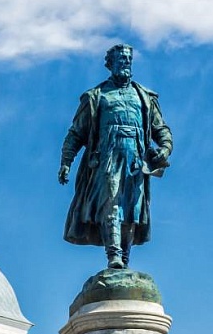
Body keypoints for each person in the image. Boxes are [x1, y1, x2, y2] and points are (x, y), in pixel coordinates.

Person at [59, 43, 174, 270]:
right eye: (121, 59)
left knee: (132, 209)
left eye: (128, 59)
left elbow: (161, 130)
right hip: (107, 158)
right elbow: (76, 133)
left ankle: (125, 259)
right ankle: (114, 254)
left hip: (136, 159)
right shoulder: (96, 96)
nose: (126, 63)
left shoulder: (145, 97)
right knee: (111, 203)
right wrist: (66, 162)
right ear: (110, 64)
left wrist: (165, 148)